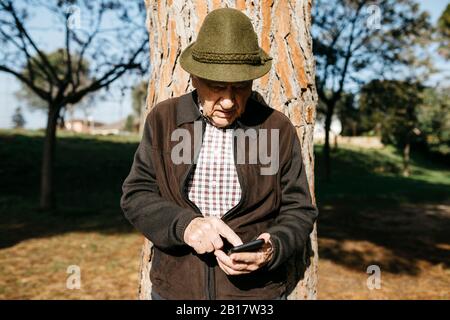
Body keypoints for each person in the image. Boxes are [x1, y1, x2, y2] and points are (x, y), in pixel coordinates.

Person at [120, 7, 318, 300]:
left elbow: (299, 210)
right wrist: (185, 226)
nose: (228, 101)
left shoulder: (277, 128)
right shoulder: (163, 120)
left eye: (239, 88)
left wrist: (270, 248)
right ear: (195, 78)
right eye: (216, 87)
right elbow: (136, 195)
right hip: (175, 292)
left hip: (255, 296)